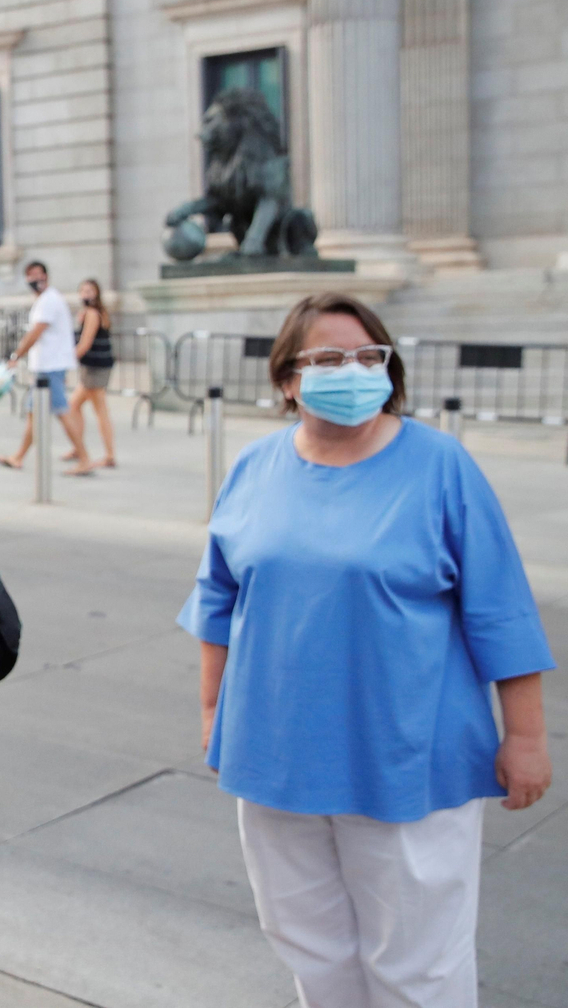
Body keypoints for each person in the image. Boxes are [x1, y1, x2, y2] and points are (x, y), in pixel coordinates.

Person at [179, 292, 554, 1008]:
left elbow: (499, 608)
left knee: (419, 961)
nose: (349, 371)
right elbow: (217, 600)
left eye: (365, 356)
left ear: (389, 366)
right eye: (326, 358)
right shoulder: (254, 468)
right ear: (288, 378)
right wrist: (212, 713)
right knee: (309, 945)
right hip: (277, 751)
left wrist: (527, 736)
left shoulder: (441, 466)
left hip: (408, 752)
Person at [0, 261, 88, 474]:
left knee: (62, 411)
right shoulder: (46, 299)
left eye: (38, 274)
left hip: (50, 367)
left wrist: (16, 356)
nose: (35, 279)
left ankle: (84, 457)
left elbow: (36, 332)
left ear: (46, 276)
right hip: (45, 367)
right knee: (33, 413)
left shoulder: (49, 300)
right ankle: (18, 457)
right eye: (30, 275)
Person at [67, 278, 115, 473]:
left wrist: (66, 361)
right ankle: (78, 448)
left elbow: (85, 343)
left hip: (95, 368)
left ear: (96, 293)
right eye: (83, 290)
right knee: (76, 406)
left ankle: (109, 454)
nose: (86, 294)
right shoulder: (90, 313)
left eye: (89, 290)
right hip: (95, 367)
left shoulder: (93, 313)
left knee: (96, 409)